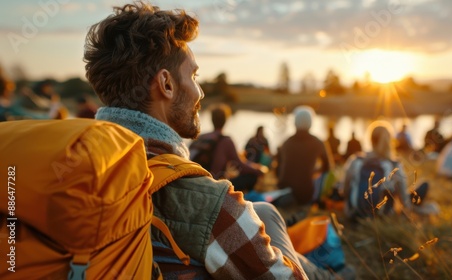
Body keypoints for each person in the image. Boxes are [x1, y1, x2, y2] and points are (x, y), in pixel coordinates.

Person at [86, 3, 348, 279]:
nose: (199, 92)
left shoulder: (74, 167)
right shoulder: (210, 205)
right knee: (267, 216)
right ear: (166, 84)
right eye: (194, 76)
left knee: (261, 211)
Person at [343, 122, 429, 220]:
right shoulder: (393, 165)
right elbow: (404, 200)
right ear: (389, 141)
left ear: (370, 140)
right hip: (382, 216)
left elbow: (346, 191)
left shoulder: (356, 160)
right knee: (424, 186)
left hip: (355, 214)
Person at [194, 104, 265, 192]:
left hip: (197, 182)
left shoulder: (201, 137)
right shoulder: (226, 140)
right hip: (215, 185)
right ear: (226, 120)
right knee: (252, 177)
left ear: (212, 119)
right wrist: (259, 170)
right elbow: (240, 166)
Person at [276, 105, 330, 206]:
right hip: (306, 193)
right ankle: (316, 199)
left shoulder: (286, 143)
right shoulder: (318, 142)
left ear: (294, 121)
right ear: (311, 122)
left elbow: (278, 170)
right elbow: (327, 167)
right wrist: (314, 171)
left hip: (283, 190)